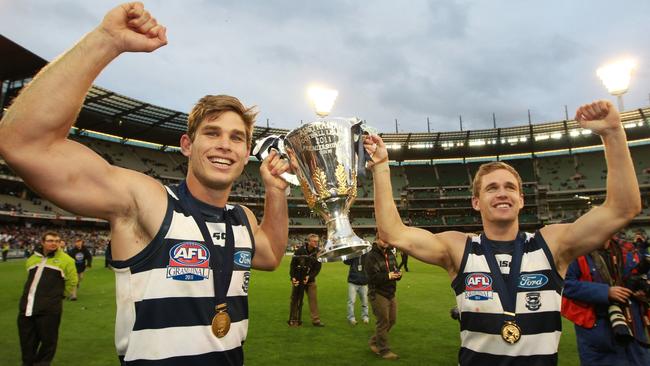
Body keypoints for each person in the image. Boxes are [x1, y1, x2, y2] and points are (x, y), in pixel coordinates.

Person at [0, 3, 290, 365]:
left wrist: (276, 193)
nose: (224, 145)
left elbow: (272, 255)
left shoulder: (242, 218)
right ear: (187, 145)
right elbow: (24, 143)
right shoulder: (148, 201)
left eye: (236, 138)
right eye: (211, 133)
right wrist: (105, 41)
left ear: (247, 152)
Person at [364, 100, 641, 365]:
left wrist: (613, 133)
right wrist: (381, 165)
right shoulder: (459, 248)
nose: (501, 193)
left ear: (521, 200)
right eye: (491, 188)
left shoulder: (552, 244)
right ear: (476, 202)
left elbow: (622, 208)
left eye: (510, 187)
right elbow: (394, 233)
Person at [563, 236, 650, 366]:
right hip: (598, 330)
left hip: (634, 328)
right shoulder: (576, 253)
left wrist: (642, 291)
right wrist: (605, 292)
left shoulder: (628, 250)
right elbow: (564, 284)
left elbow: (644, 278)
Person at [18, 231, 77, 366]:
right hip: (26, 307)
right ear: (43, 242)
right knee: (27, 342)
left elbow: (72, 281)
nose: (54, 243)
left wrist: (59, 296)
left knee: (48, 342)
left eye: (56, 241)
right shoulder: (32, 259)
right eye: (50, 240)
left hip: (49, 309)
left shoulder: (67, 260)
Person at [365, 237, 401, 360]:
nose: (385, 241)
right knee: (383, 322)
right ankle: (384, 351)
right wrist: (388, 276)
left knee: (392, 320)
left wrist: (397, 274)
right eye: (382, 239)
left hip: (391, 292)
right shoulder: (371, 256)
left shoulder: (390, 253)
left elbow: (394, 268)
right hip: (378, 293)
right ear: (376, 240)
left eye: (387, 239)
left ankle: (374, 341)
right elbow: (372, 278)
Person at [288, 233, 324, 326]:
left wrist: (310, 277)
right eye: (314, 241)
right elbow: (292, 265)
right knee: (295, 300)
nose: (316, 243)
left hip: (310, 280)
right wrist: (293, 278)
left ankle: (316, 320)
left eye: (317, 241)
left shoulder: (318, 252)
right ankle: (294, 319)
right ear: (308, 242)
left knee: (313, 299)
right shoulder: (299, 251)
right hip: (298, 279)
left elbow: (317, 268)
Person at [344, 252, 369, 325]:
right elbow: (346, 262)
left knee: (365, 302)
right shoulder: (353, 254)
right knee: (351, 301)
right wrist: (348, 253)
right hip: (353, 281)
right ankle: (351, 318)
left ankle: (365, 317)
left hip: (364, 282)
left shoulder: (367, 254)